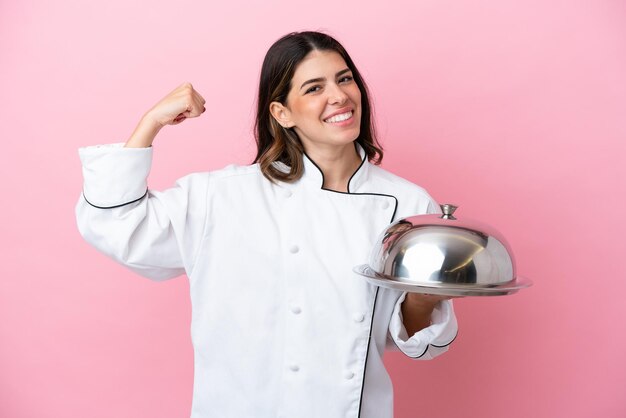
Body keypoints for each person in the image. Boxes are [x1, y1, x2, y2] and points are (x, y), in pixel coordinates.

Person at [76, 31, 458, 418]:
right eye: (314, 88)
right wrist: (151, 122)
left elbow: (420, 344)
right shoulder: (221, 197)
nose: (340, 96)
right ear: (281, 113)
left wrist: (424, 298)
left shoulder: (409, 206)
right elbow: (118, 225)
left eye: (345, 79)